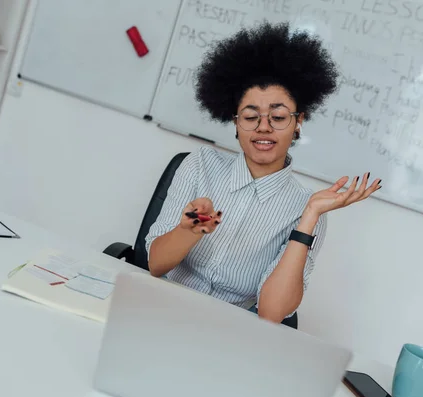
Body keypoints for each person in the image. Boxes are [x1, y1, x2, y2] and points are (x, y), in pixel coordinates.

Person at [145, 21, 381, 324]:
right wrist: (188, 231)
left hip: (232, 333)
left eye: (279, 116)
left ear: (299, 121)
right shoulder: (199, 165)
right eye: (251, 116)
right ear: (235, 121)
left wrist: (309, 216)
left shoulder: (308, 209)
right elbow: (154, 265)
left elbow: (271, 312)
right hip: (162, 309)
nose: (264, 127)